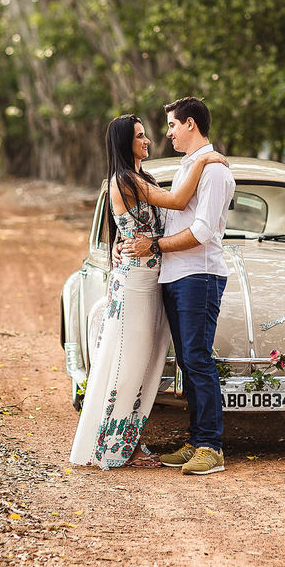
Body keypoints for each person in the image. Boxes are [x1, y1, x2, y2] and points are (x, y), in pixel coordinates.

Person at [69, 114, 227, 470]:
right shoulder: (125, 179)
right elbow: (177, 201)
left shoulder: (144, 178)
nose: (148, 140)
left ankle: (129, 440)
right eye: (140, 136)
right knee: (127, 364)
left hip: (154, 279)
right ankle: (115, 446)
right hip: (135, 283)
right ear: (125, 142)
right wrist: (204, 159)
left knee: (147, 366)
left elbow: (164, 219)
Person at [120, 97, 235, 475]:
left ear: (190, 124)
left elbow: (202, 232)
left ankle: (211, 447)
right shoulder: (191, 165)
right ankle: (197, 440)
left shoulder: (213, 171)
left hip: (199, 274)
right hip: (175, 275)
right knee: (188, 361)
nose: (167, 133)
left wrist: (153, 246)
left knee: (198, 359)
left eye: (171, 124)